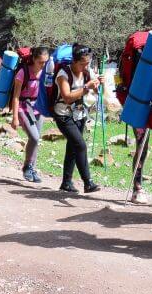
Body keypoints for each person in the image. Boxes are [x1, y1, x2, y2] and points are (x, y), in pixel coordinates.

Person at [53, 45, 102, 194]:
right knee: (80, 145)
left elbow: (94, 90)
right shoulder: (63, 74)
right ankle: (88, 182)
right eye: (83, 63)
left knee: (73, 148)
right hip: (63, 114)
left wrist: (98, 83)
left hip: (80, 114)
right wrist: (87, 87)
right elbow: (67, 97)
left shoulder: (86, 72)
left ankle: (66, 183)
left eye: (88, 63)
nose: (86, 66)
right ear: (74, 61)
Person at [11, 46, 51, 183]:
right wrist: (14, 117)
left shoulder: (45, 73)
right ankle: (27, 166)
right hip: (23, 106)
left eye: (45, 62)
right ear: (33, 59)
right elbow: (15, 96)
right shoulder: (23, 73)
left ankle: (32, 169)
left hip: (38, 107)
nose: (43, 65)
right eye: (40, 62)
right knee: (34, 137)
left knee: (36, 140)